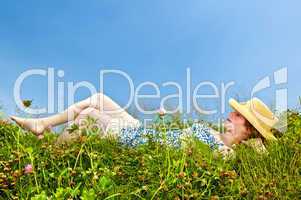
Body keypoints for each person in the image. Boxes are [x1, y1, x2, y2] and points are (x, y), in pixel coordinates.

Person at [10, 93, 278, 155]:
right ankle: (41, 124)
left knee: (88, 116)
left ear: (249, 129)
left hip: (142, 143)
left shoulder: (225, 153)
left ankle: (50, 156)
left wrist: (257, 147)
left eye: (239, 115)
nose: (232, 114)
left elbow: (244, 152)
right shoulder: (212, 133)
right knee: (98, 98)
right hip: (143, 131)